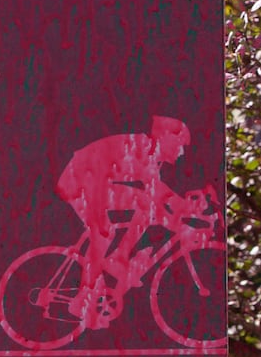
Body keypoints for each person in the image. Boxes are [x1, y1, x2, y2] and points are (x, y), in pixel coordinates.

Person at [53, 116, 192, 315]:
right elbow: (158, 192)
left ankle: (119, 256)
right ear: (166, 137)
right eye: (180, 144)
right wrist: (184, 212)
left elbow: (158, 194)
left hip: (94, 181)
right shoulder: (140, 146)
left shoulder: (151, 155)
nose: (181, 151)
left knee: (146, 205)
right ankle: (82, 299)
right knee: (103, 234)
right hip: (81, 181)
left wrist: (185, 210)